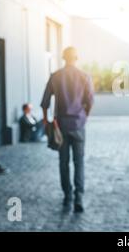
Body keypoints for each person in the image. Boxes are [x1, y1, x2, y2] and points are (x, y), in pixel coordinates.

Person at [41, 47, 94, 213]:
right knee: (79, 163)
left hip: (61, 127)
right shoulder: (84, 76)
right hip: (78, 125)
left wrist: (46, 120)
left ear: (64, 58)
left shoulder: (55, 76)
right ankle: (79, 198)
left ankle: (67, 196)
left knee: (63, 163)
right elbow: (90, 101)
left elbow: (45, 102)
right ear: (76, 58)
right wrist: (84, 117)